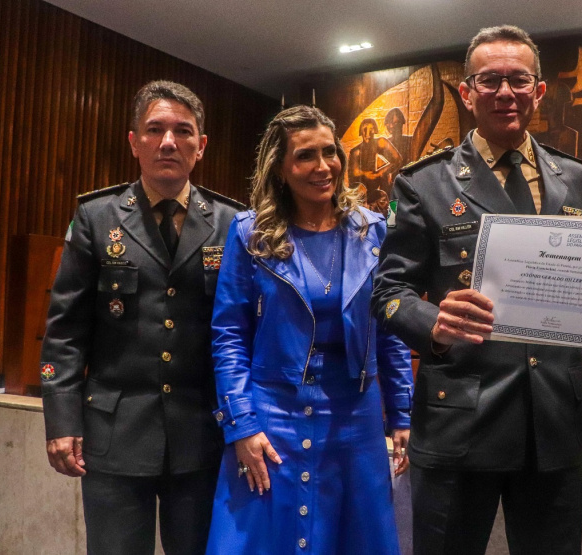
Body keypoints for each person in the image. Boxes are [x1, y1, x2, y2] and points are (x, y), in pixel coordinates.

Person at [372, 25, 582, 555]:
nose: (506, 92)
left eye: (519, 80)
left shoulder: (576, 179)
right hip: (461, 420)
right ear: (467, 92)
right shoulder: (423, 183)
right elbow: (388, 291)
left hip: (554, 423)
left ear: (539, 91)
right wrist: (434, 322)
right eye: (491, 80)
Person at [39, 80, 244, 554]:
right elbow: (66, 331)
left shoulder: (233, 224)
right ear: (134, 142)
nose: (168, 142)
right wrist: (61, 418)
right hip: (114, 434)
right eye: (154, 130)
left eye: (182, 131)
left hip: (201, 436)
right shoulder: (95, 217)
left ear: (201, 145)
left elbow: (242, 333)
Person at [206, 105, 413, 554]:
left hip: (355, 413)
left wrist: (402, 413)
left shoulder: (373, 232)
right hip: (272, 412)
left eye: (329, 152)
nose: (323, 167)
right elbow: (229, 336)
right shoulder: (250, 235)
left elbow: (390, 332)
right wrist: (241, 424)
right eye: (305, 156)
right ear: (280, 169)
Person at [348, 117, 403, 209]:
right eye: (365, 130)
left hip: (378, 180)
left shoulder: (380, 142)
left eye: (371, 130)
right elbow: (354, 172)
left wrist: (383, 172)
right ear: (361, 132)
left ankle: (391, 218)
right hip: (363, 184)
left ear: (375, 131)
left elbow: (398, 159)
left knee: (388, 186)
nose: (368, 134)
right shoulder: (356, 151)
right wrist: (365, 174)